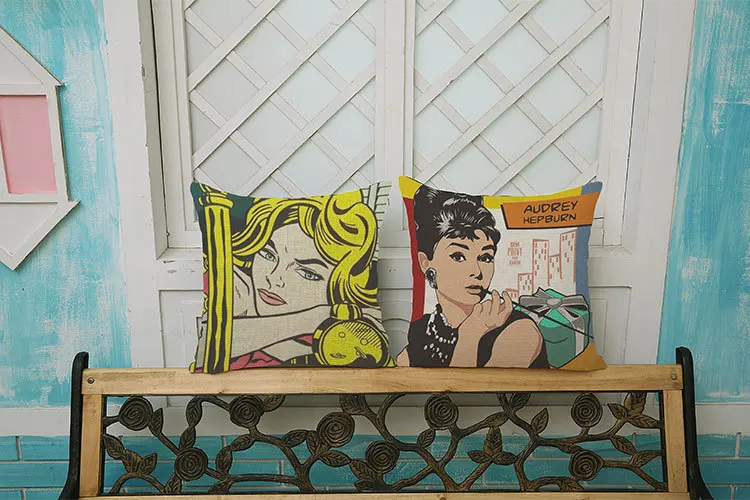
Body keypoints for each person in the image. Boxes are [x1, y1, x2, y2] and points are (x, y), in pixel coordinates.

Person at [195, 190, 391, 370]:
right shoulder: (233, 288)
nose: (274, 279)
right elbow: (214, 349)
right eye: (268, 254)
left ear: (340, 286)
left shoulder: (343, 334)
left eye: (307, 273)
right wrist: (312, 318)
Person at [397, 185, 548, 368]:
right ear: (425, 263)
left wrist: (471, 335)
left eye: (485, 258)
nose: (476, 272)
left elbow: (475, 385)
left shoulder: (519, 330)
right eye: (458, 256)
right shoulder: (421, 329)